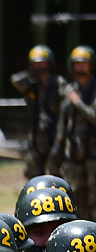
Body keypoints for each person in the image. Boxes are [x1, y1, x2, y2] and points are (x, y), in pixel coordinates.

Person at [52, 45, 96, 218]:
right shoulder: (69, 90)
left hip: (93, 157)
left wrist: (77, 102)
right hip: (74, 157)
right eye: (77, 64)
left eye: (83, 63)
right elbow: (62, 122)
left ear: (91, 65)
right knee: (75, 200)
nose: (80, 67)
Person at [12, 46, 67, 179]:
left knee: (57, 173)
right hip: (37, 135)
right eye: (35, 64)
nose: (39, 66)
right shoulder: (31, 84)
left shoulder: (58, 83)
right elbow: (15, 80)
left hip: (55, 134)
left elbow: (65, 112)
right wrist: (31, 73)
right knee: (33, 174)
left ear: (49, 64)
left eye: (41, 63)